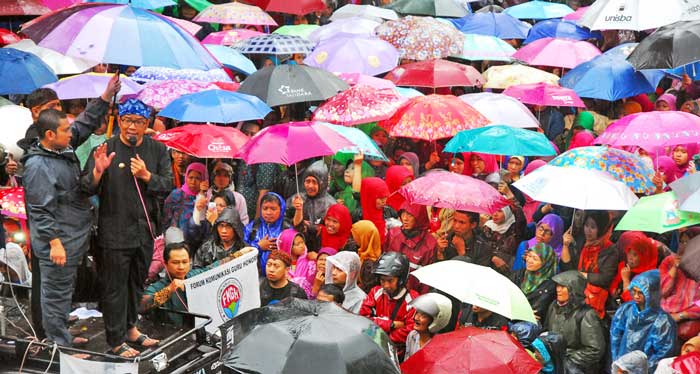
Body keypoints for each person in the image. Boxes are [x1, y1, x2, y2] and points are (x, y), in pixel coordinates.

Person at [81, 98, 173, 357]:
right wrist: (98, 172)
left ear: (147, 125)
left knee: (136, 283)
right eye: (128, 121)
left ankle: (131, 328)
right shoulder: (104, 148)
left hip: (144, 232)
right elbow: (86, 187)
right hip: (113, 232)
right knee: (114, 287)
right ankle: (115, 339)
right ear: (119, 121)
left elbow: (167, 185)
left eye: (139, 122)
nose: (132, 127)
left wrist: (146, 176)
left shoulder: (157, 151)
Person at [22, 109, 110, 348]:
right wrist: (54, 242)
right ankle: (60, 347)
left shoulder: (63, 151)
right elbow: (40, 210)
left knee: (65, 292)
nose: (72, 134)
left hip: (74, 236)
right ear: (50, 134)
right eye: (66, 130)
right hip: (58, 242)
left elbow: (77, 189)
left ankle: (63, 336)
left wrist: (96, 172)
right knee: (54, 295)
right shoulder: (38, 166)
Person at [141, 228, 252, 325]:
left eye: (184, 262)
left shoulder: (194, 276)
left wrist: (239, 255)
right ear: (165, 264)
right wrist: (169, 290)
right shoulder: (157, 287)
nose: (181, 267)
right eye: (175, 262)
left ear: (190, 261)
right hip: (172, 336)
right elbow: (142, 305)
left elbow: (215, 268)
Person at [611, 270, 677, 372]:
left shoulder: (663, 321)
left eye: (640, 293)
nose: (636, 296)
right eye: (634, 291)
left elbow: (663, 352)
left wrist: (641, 370)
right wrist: (618, 362)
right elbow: (615, 336)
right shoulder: (626, 309)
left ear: (652, 294)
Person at [544, 271, 606, 374]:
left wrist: (568, 360)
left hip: (575, 368)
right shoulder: (553, 307)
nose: (558, 290)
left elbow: (595, 349)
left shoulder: (587, 314)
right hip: (555, 363)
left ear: (574, 289)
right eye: (558, 286)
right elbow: (547, 331)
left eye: (563, 287)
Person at [561, 210, 617, 319]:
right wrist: (565, 246)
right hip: (577, 291)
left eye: (593, 227)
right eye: (586, 225)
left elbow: (605, 278)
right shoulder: (582, 243)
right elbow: (568, 269)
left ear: (601, 229)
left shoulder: (610, 249)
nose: (588, 230)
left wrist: (581, 275)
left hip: (596, 298)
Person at [359, 252, 418, 357]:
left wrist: (382, 336)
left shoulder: (412, 300)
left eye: (390, 281)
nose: (385, 285)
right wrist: (392, 324)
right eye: (382, 280)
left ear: (401, 280)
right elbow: (363, 319)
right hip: (374, 350)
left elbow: (411, 330)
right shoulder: (375, 292)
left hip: (399, 354)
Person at [384, 202, 437, 290]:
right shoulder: (393, 234)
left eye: (410, 214)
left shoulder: (430, 244)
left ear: (419, 217)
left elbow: (427, 280)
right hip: (392, 290)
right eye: (403, 213)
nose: (405, 218)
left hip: (414, 294)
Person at [659, 231, 700, 341]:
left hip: (688, 321)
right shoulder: (668, 261)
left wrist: (682, 315)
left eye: (688, 242)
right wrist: (674, 268)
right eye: (681, 242)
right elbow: (662, 291)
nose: (683, 246)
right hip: (665, 315)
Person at [235, 122, 279, 220]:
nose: (249, 137)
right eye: (246, 133)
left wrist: (257, 221)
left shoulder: (264, 159)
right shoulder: (241, 156)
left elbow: (263, 193)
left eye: (253, 134)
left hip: (252, 217)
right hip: (239, 215)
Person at [243, 192, 291, 273]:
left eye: (273, 209)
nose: (268, 213)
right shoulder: (252, 227)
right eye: (265, 208)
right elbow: (242, 251)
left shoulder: (287, 229)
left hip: (281, 276)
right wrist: (258, 247)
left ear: (281, 209)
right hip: (254, 275)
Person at [512, 243, 557, 322]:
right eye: (529, 256)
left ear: (545, 263)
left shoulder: (549, 286)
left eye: (535, 259)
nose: (529, 260)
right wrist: (523, 313)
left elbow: (537, 312)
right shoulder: (519, 274)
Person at [610, 231, 658, 305]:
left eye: (635, 255)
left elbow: (634, 300)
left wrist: (626, 280)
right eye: (629, 252)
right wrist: (614, 290)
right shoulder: (624, 266)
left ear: (644, 257)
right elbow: (615, 281)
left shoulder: (648, 277)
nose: (630, 258)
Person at [404, 293, 453, 361]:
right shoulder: (412, 336)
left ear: (437, 320)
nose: (416, 318)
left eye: (424, 316)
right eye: (417, 312)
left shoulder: (439, 347)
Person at [289, 160, 336, 227]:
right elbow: (285, 219)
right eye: (308, 181)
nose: (310, 186)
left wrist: (321, 229)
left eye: (314, 182)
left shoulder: (331, 204)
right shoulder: (297, 199)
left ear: (322, 184)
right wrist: (296, 221)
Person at [482, 205, 526, 275]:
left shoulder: (515, 228)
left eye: (499, 211)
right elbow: (481, 247)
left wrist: (511, 202)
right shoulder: (487, 226)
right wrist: (492, 257)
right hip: (487, 263)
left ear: (507, 212)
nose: (495, 214)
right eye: (493, 210)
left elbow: (521, 218)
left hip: (507, 267)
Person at [163, 162, 208, 231]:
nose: (193, 181)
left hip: (198, 237)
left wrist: (202, 193)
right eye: (190, 177)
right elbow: (166, 217)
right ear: (186, 177)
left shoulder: (207, 197)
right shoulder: (177, 194)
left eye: (198, 178)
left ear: (203, 180)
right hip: (177, 237)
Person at [277, 229, 316, 298]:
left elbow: (312, 282)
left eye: (302, 242)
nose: (302, 246)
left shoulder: (309, 261)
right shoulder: (279, 264)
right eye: (297, 244)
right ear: (288, 246)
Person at [360, 177, 390, 244]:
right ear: (370, 196)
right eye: (381, 198)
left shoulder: (388, 212)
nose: (384, 201)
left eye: (386, 197)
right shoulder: (359, 216)